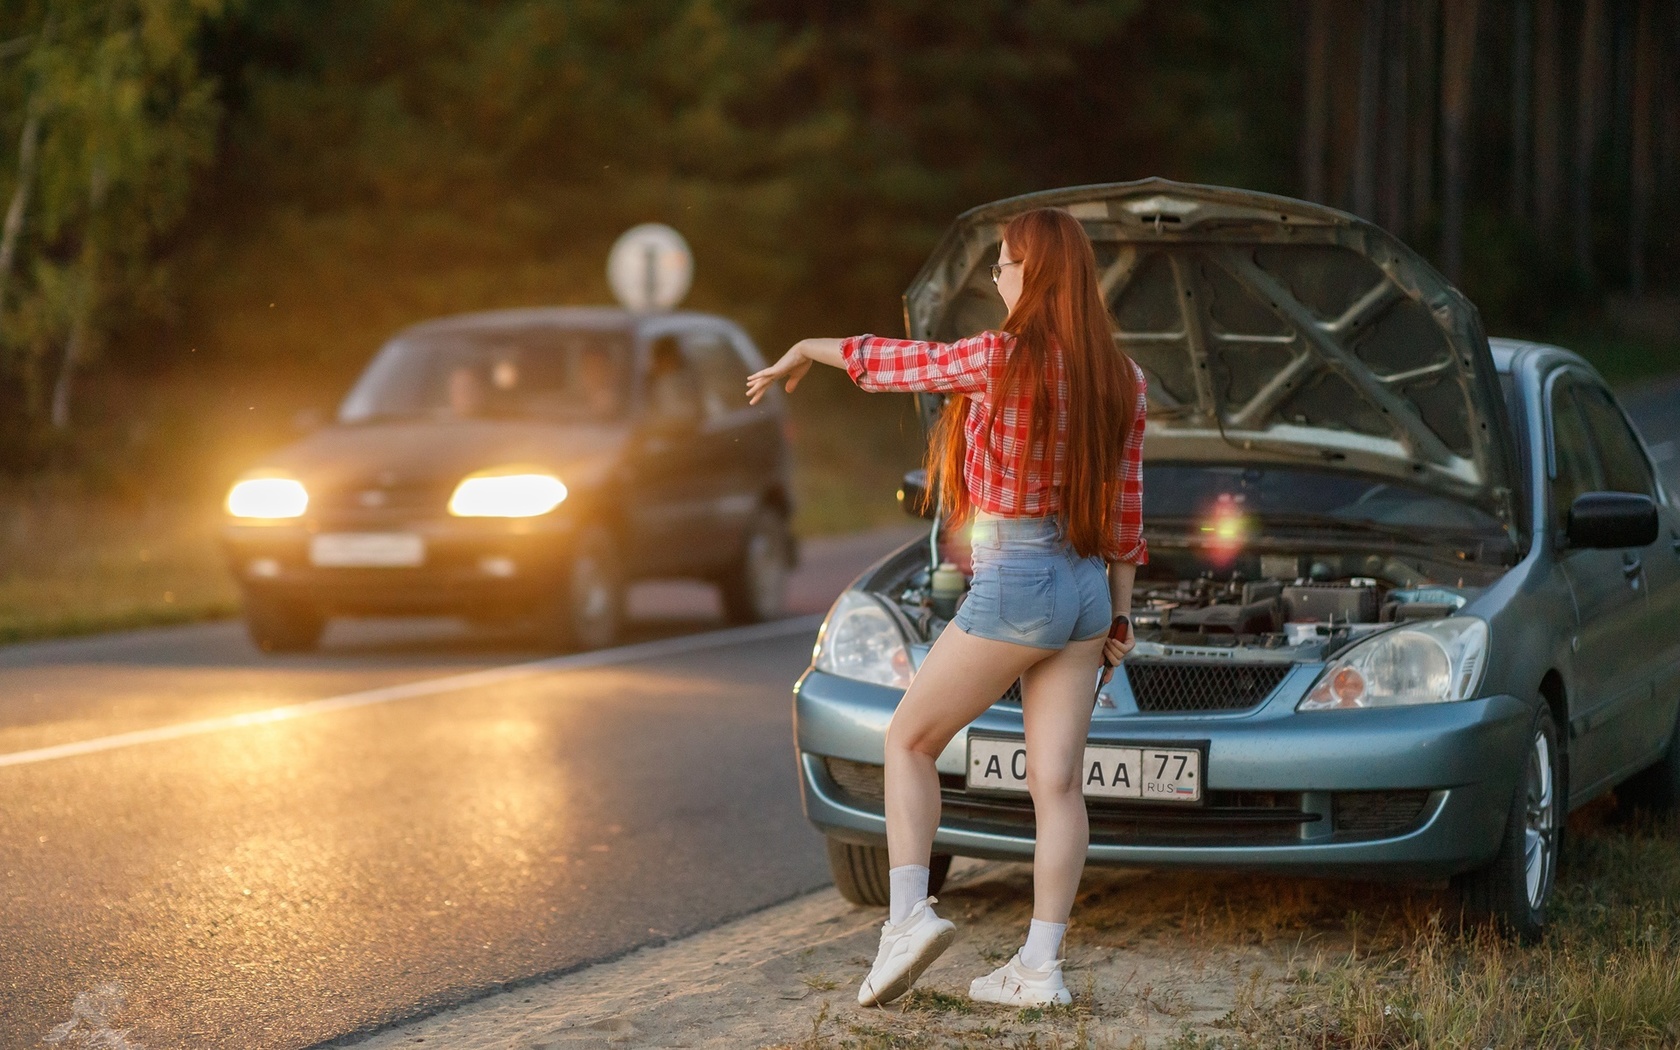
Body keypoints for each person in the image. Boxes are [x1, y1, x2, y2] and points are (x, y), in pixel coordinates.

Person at [746, 207, 1147, 1009]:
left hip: (1019, 580)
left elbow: (895, 362)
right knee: (1059, 787)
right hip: (1086, 591)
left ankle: (907, 920)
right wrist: (1120, 620)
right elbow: (1131, 513)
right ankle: (1039, 967)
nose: (995, 276)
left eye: (1003, 263)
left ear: (1031, 273)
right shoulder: (1121, 377)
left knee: (909, 740)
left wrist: (805, 350)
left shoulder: (1000, 358)